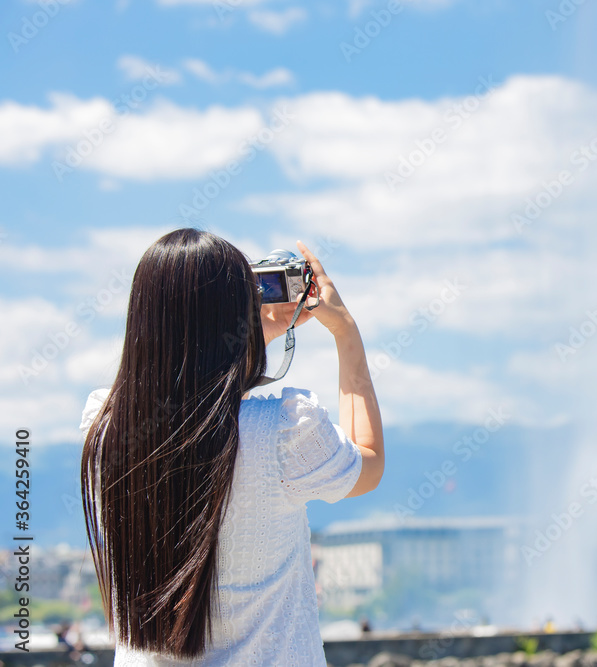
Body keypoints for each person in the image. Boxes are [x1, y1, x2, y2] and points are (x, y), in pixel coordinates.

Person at [79, 229, 384, 665]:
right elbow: (366, 463)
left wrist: (242, 332)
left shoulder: (105, 432)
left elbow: (184, 404)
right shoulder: (282, 431)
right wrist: (345, 331)